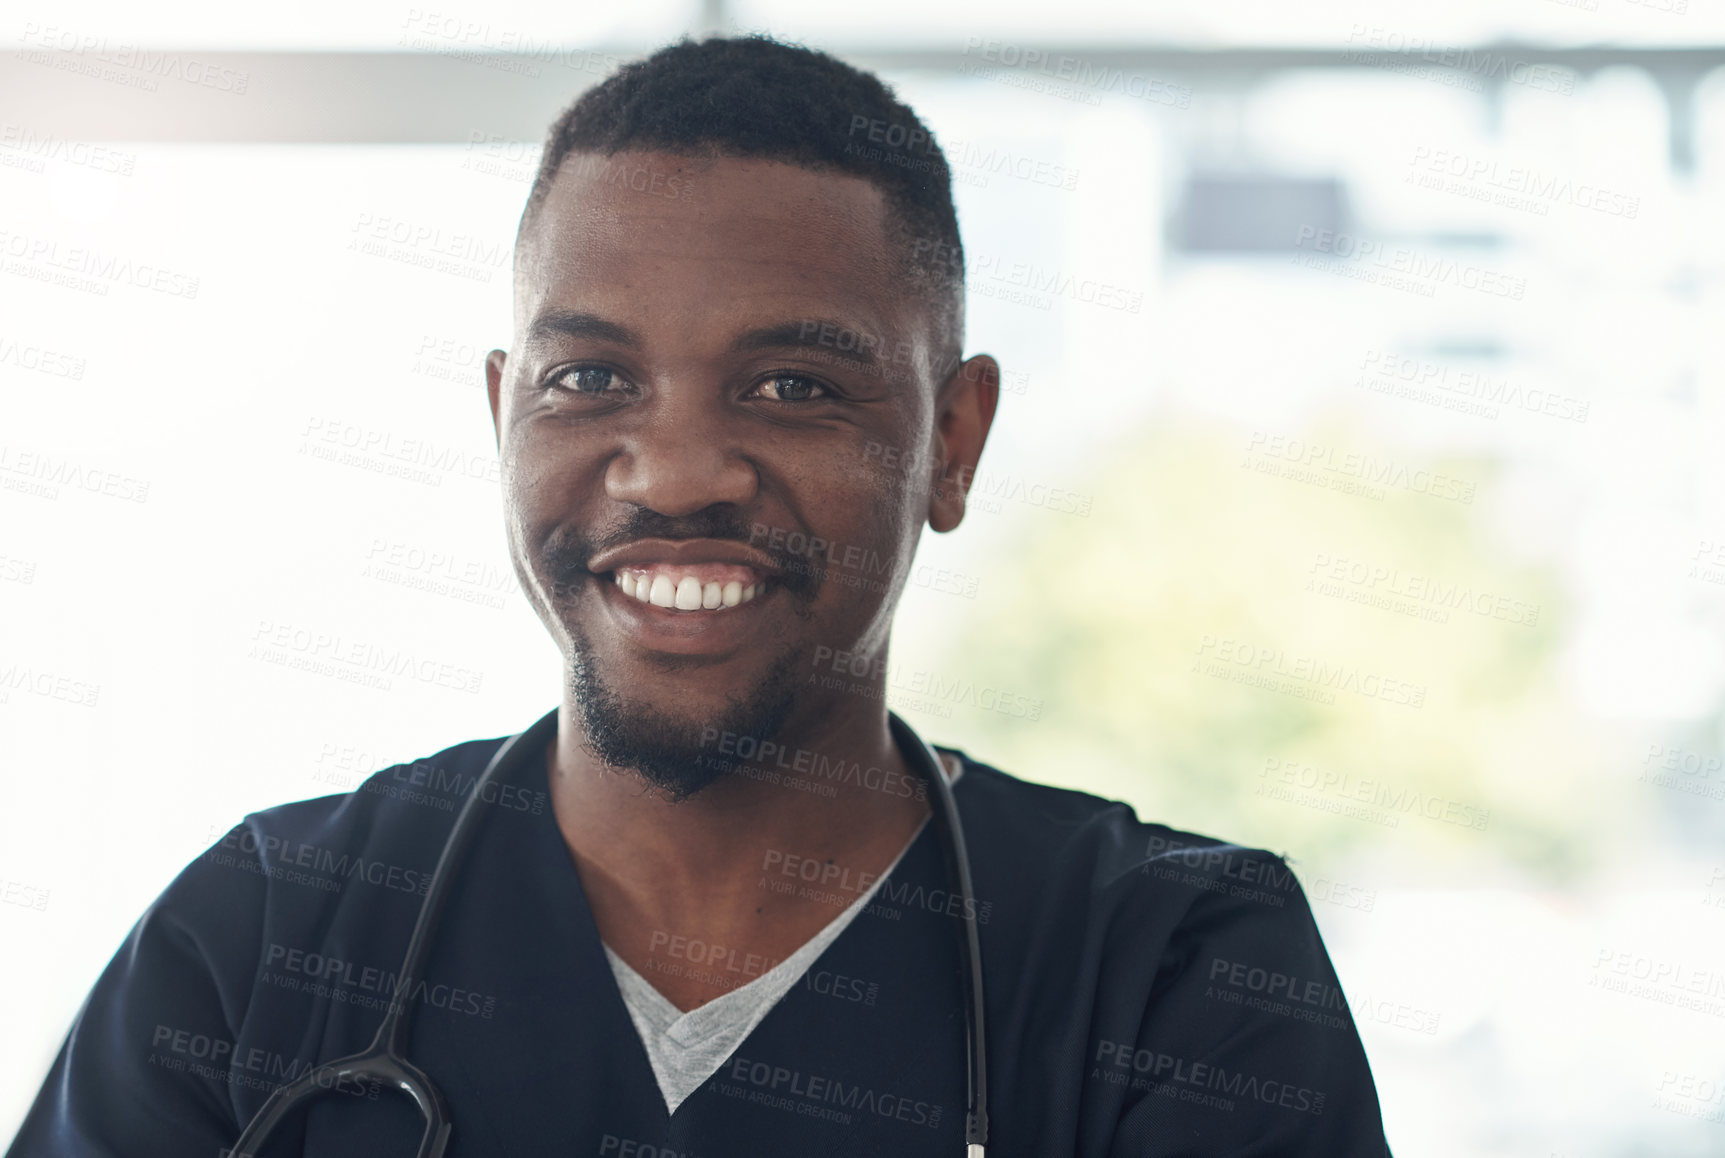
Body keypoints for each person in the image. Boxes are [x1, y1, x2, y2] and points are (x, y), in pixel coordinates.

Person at [7, 35, 1392, 1157]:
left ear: (950, 443)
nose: (673, 473)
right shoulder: (257, 942)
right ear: (505, 417)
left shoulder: (1172, 974)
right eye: (589, 379)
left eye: (792, 387)